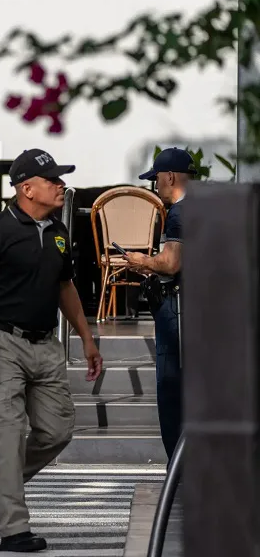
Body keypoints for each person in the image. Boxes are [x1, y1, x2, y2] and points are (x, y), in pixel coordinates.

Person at [0, 148, 104, 552]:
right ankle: (14, 530)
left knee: (58, 430)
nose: (61, 185)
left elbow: (65, 287)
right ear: (27, 188)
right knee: (8, 434)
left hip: (46, 346)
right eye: (53, 180)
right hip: (1, 343)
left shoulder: (58, 232)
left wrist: (87, 338)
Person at [122, 147, 189, 461]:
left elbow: (172, 262)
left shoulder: (178, 212)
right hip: (197, 312)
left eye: (157, 178)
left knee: (171, 390)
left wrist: (142, 260)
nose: (155, 186)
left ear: (171, 176)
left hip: (176, 310)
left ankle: (178, 471)